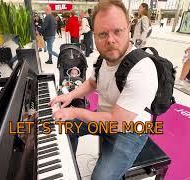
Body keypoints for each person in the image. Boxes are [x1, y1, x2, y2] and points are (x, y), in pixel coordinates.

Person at [49, 0, 158, 179]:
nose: (110, 40)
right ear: (94, 35)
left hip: (129, 130)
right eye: (102, 34)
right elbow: (92, 83)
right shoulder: (103, 59)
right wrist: (70, 95)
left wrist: (75, 112)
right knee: (61, 128)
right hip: (104, 117)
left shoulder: (142, 68)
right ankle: (68, 166)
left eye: (117, 31)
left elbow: (117, 122)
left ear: (128, 28)